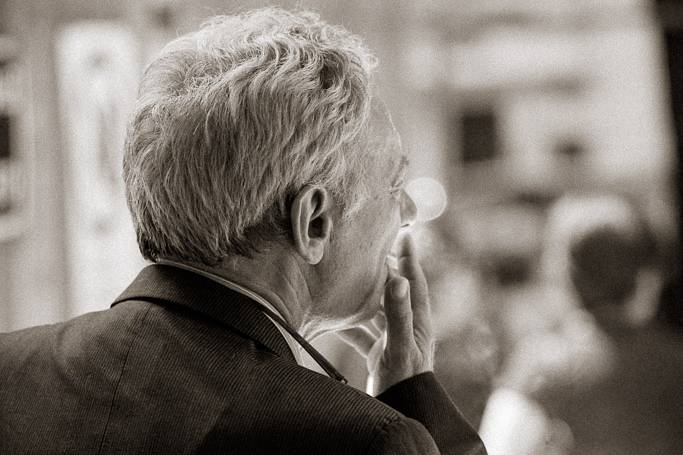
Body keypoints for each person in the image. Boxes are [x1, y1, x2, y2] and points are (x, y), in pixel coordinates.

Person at [0, 8, 485, 455]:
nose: (410, 210)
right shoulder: (358, 439)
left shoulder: (11, 373)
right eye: (395, 183)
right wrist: (415, 395)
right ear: (313, 221)